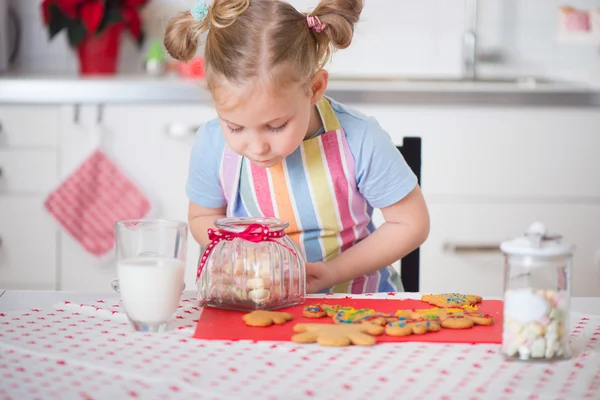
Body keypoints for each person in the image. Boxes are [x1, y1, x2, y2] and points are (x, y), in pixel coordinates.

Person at [164, 0, 430, 294]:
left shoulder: (360, 138)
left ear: (314, 88)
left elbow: (411, 223)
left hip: (356, 304)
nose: (257, 147)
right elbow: (202, 217)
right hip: (252, 304)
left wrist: (332, 272)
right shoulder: (212, 142)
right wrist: (241, 252)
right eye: (235, 127)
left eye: (275, 126)